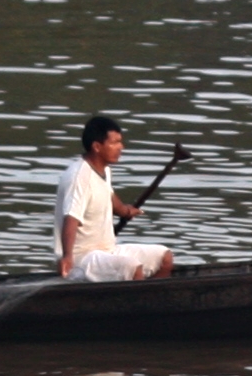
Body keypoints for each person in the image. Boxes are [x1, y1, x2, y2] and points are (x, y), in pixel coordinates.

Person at [55, 115, 174, 282]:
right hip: (82, 258)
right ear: (97, 146)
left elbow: (109, 196)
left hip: (107, 250)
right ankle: (141, 305)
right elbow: (71, 218)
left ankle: (156, 301)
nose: (121, 147)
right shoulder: (79, 177)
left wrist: (126, 211)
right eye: (115, 142)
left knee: (164, 257)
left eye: (120, 142)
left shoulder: (104, 170)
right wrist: (67, 257)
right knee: (133, 268)